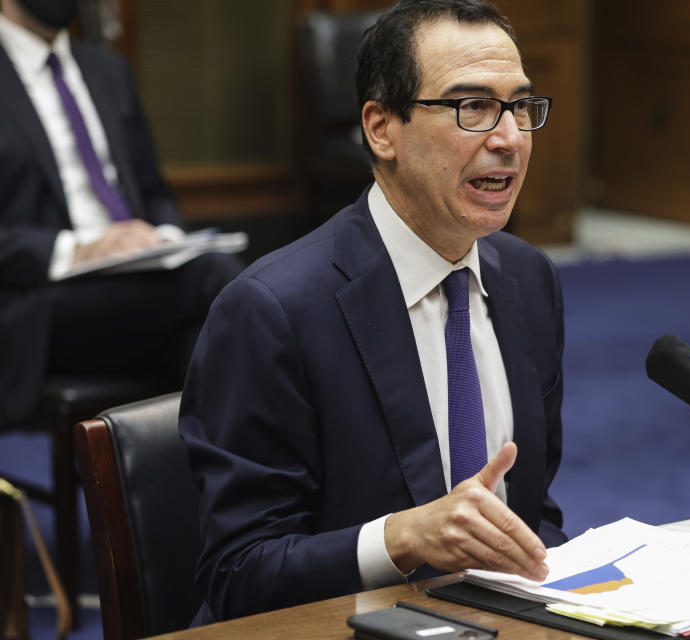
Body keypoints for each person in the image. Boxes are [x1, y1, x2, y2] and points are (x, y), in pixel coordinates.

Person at [179, 0, 566, 625]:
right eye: (472, 108)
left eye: (520, 106)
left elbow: (534, 511)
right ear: (382, 129)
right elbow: (239, 574)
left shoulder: (528, 279)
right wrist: (401, 539)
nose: (509, 139)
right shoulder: (272, 312)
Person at [0, 0, 242, 428]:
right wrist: (79, 249)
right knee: (219, 282)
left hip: (142, 282)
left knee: (202, 341)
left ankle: (186, 484)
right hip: (40, 300)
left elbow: (153, 190)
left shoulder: (107, 71)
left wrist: (164, 236)